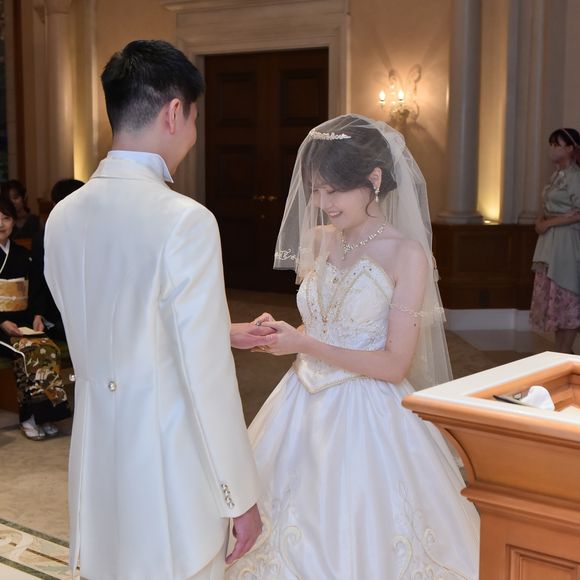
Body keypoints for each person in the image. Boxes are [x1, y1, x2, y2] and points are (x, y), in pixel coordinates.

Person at [44, 40, 268, 580]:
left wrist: (218, 329)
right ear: (174, 112)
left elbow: (110, 321)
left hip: (96, 462)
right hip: (170, 470)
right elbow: (206, 377)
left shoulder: (62, 217)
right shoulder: (185, 220)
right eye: (194, 119)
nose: (192, 133)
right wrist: (238, 494)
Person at [225, 114, 480, 579]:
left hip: (369, 412)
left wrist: (304, 343)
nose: (322, 204)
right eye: (315, 191)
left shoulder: (407, 254)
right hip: (298, 401)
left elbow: (394, 363)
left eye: (333, 191)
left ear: (374, 180)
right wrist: (285, 334)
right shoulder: (319, 240)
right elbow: (326, 321)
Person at [0, 196, 71, 439]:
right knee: (29, 352)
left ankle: (46, 416)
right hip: (1, 326)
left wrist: (38, 315)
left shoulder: (23, 254)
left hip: (23, 323)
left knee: (48, 348)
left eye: (6, 218)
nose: (1, 224)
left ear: (14, 221)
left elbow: (37, 290)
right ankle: (28, 417)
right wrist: (2, 321)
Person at [530, 128, 580, 354]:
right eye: (551, 145)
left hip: (567, 242)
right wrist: (541, 220)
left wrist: (549, 223)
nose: (552, 149)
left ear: (570, 148)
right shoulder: (556, 175)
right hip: (551, 242)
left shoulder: (575, 176)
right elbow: (549, 205)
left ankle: (565, 351)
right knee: (556, 301)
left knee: (568, 292)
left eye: (557, 145)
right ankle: (561, 352)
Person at [30, 179, 85, 340]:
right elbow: (38, 278)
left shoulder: (93, 233)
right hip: (56, 312)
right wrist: (38, 313)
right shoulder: (44, 237)